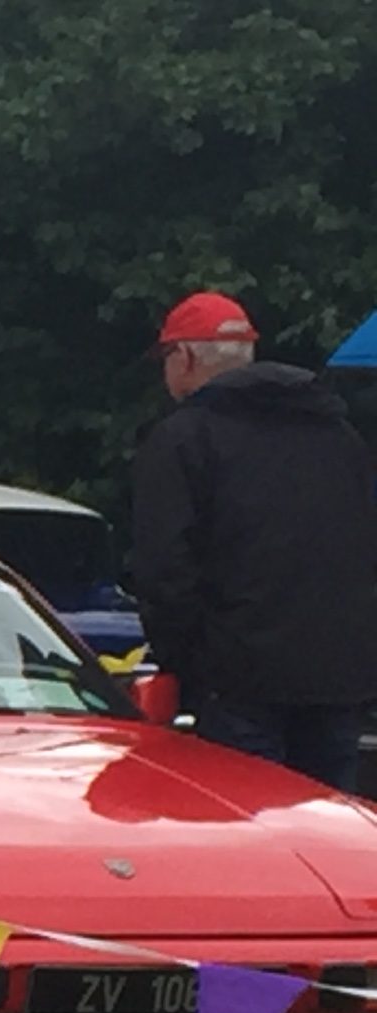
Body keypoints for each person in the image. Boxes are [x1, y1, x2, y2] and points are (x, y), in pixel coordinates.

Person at [132, 289, 377, 791]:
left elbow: (163, 568)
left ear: (187, 357)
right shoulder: (338, 436)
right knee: (329, 837)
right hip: (339, 680)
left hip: (237, 684)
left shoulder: (184, 439)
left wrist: (189, 664)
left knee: (249, 832)